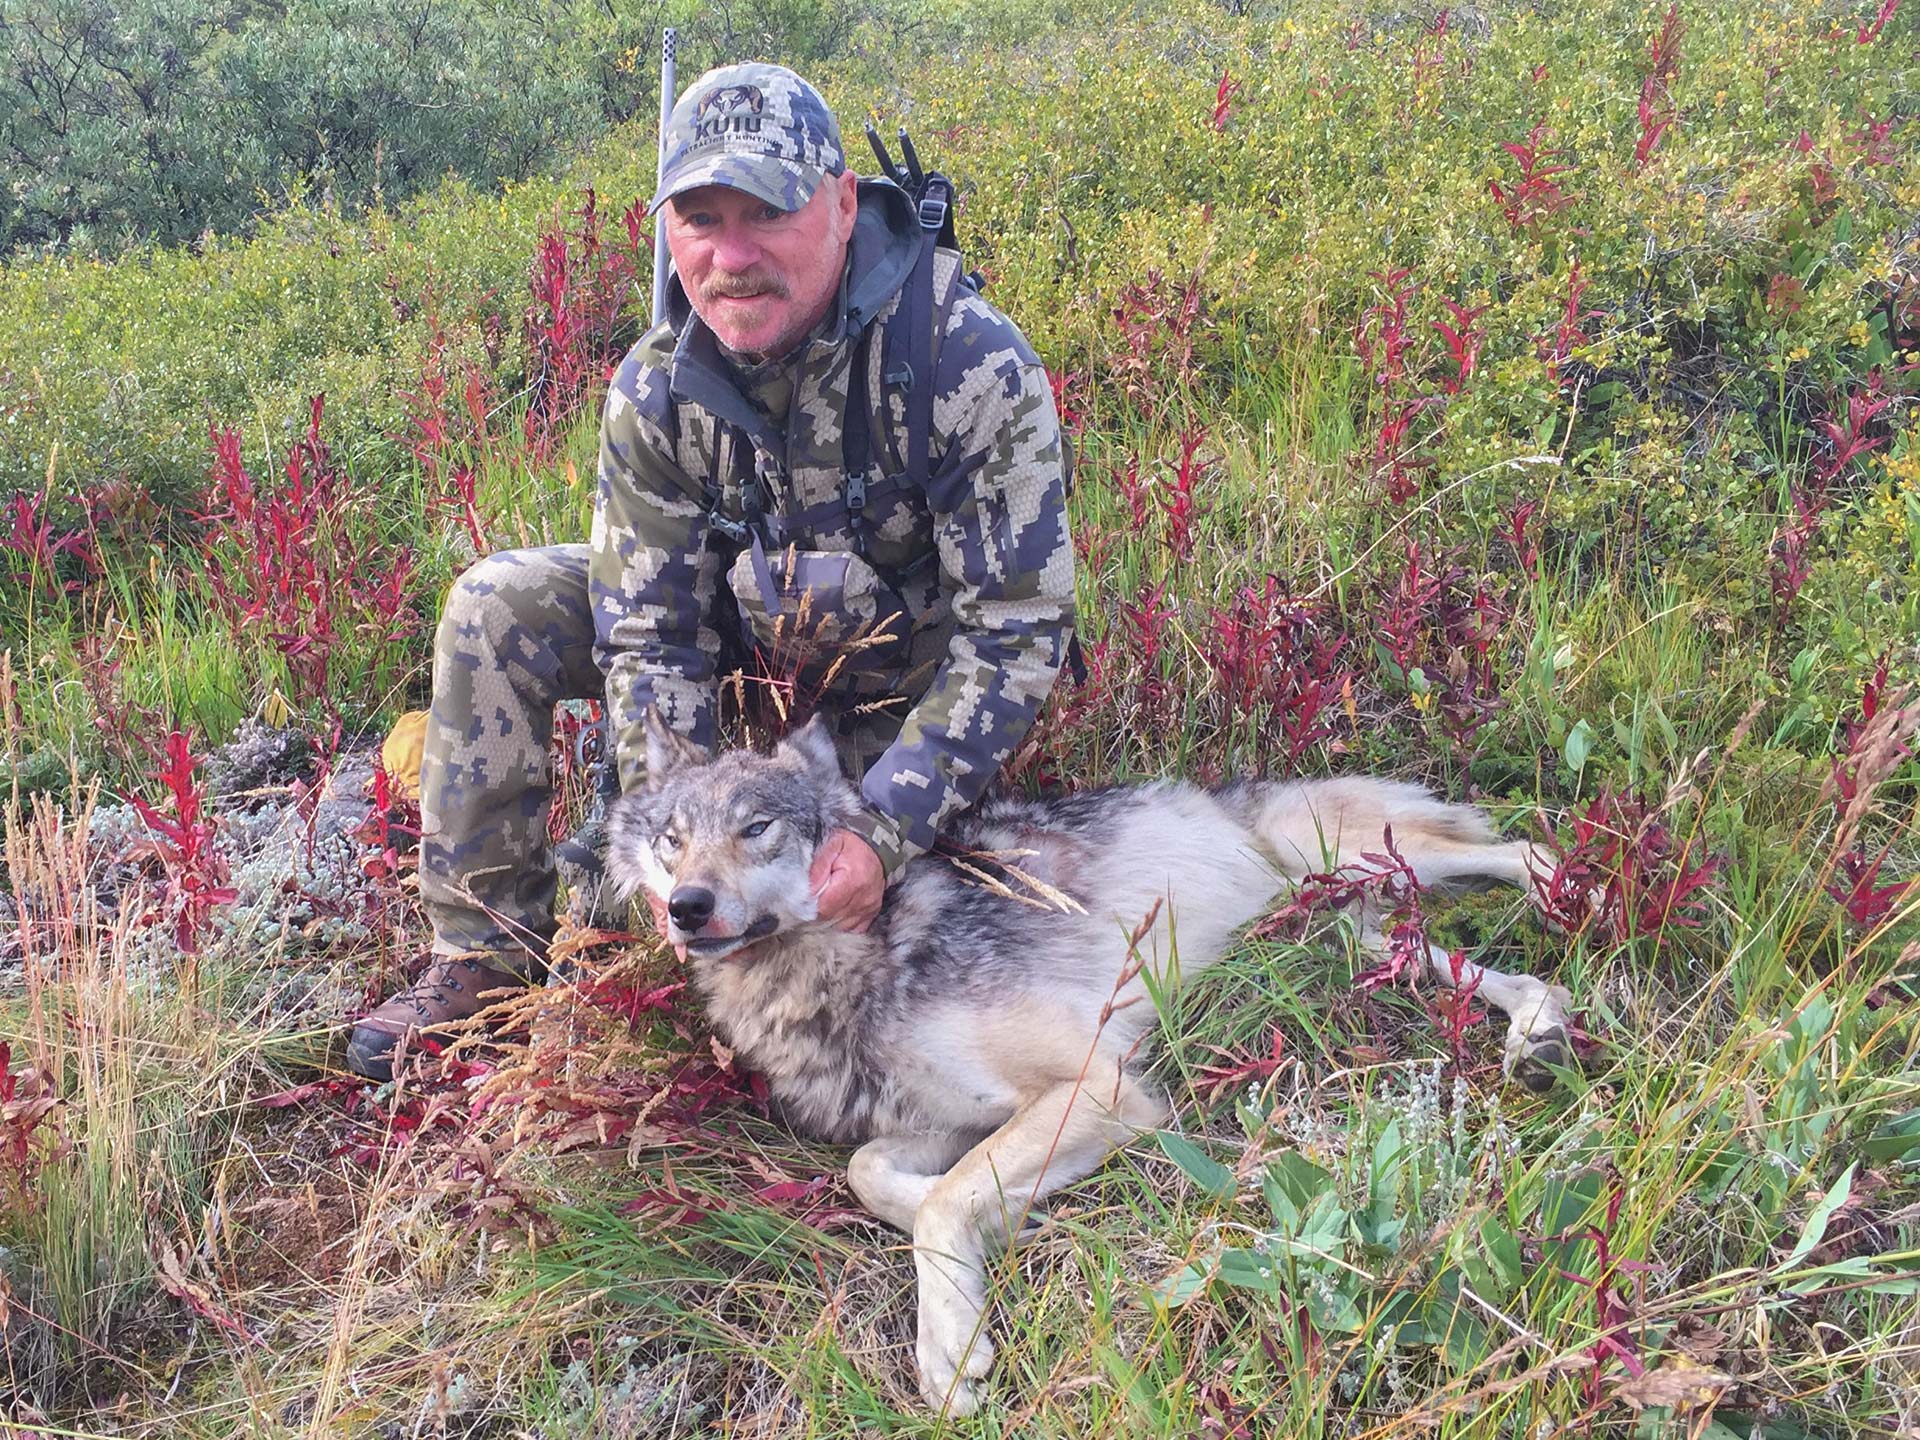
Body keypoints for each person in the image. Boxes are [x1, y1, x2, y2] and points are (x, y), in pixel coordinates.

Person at [346, 61, 1076, 1081]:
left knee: (841, 905)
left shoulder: (964, 362)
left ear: (841, 205)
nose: (732, 257)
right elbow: (652, 635)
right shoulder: (655, 387)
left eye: (765, 214)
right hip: (745, 671)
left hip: (886, 710)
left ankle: (618, 892)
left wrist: (884, 830)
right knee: (496, 604)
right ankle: (484, 956)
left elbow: (1014, 634)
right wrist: (663, 828)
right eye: (700, 219)